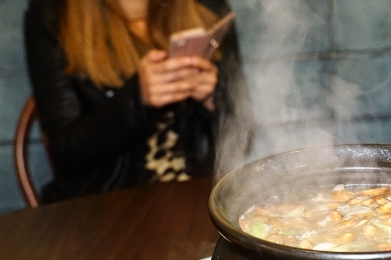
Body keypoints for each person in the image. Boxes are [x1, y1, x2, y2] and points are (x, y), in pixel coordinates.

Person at [24, 0, 252, 202]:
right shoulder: (53, 15)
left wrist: (214, 100)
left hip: (198, 197)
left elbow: (244, 137)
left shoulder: (209, 6)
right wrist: (137, 100)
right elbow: (66, 153)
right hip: (108, 210)